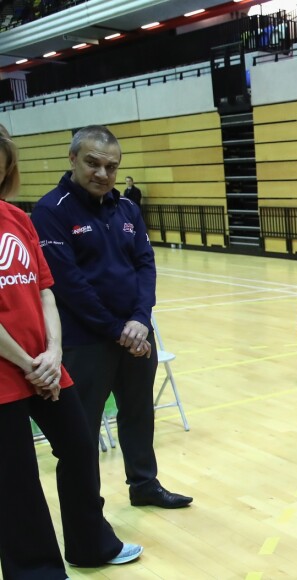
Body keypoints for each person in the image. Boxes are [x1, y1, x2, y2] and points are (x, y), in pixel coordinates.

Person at [0, 125, 142, 579]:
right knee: (17, 476)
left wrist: (53, 351)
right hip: (10, 371)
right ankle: (36, 571)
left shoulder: (17, 218)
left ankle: (89, 545)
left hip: (45, 364)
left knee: (80, 449)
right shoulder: (48, 212)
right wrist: (28, 361)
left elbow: (45, 290)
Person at [31, 125, 192, 509]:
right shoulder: (49, 212)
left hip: (136, 334)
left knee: (138, 414)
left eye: (111, 166)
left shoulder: (127, 209)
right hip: (86, 342)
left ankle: (144, 484)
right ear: (72, 159)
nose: (102, 174)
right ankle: (88, 510)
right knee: (83, 427)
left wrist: (140, 319)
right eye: (92, 163)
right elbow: (68, 283)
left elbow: (145, 265)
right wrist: (117, 329)